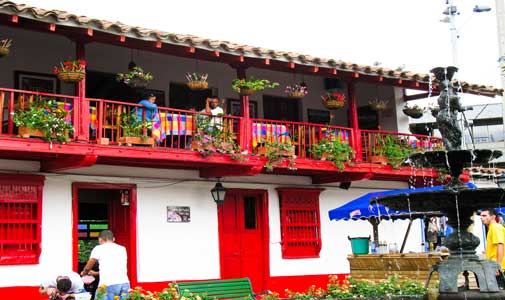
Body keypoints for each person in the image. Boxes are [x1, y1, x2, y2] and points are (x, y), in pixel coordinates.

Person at [81, 230, 130, 300]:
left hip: (107, 285)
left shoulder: (98, 248)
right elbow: (114, 267)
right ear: (113, 239)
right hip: (124, 284)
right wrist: (96, 273)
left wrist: (84, 273)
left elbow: (89, 266)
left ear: (100, 240)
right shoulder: (122, 249)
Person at [480, 208, 505, 287]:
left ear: (493, 217)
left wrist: (498, 266)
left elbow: (500, 245)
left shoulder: (495, 227)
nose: (481, 218)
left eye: (484, 215)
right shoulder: (492, 228)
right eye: (481, 216)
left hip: (500, 268)